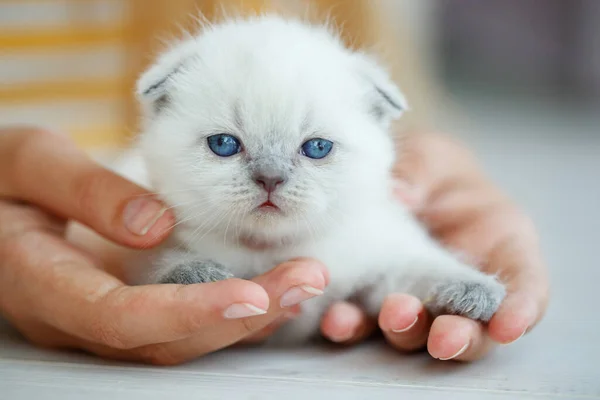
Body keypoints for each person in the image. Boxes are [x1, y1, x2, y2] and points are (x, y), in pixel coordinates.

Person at [0, 125, 549, 365]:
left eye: (315, 147)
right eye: (224, 144)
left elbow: (397, 256)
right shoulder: (158, 196)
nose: (269, 176)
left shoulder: (367, 209)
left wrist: (438, 166)